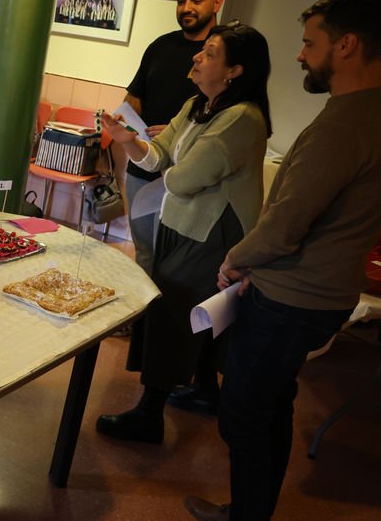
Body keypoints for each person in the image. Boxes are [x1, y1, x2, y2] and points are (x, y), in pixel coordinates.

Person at [185, 0, 381, 521]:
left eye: (308, 43)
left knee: (245, 415)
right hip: (327, 294)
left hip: (292, 299)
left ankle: (246, 517)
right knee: (270, 405)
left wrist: (236, 260)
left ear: (345, 46)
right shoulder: (378, 111)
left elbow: (286, 224)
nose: (299, 54)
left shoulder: (344, 124)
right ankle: (249, 510)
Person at [96, 22, 272, 445]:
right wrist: (128, 138)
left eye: (210, 53)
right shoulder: (199, 104)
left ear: (234, 70)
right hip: (184, 223)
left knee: (174, 311)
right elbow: (157, 158)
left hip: (213, 230)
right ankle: (206, 390)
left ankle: (149, 415)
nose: (196, 57)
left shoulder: (242, 119)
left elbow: (181, 180)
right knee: (202, 311)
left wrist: (169, 167)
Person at [123, 0, 224, 281]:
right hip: (144, 166)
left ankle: (166, 324)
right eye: (181, 1)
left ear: (217, 2)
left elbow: (226, 112)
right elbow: (134, 96)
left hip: (191, 176)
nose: (186, 8)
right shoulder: (160, 46)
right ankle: (141, 323)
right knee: (144, 250)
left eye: (196, 0)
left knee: (179, 258)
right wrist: (126, 124)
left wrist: (175, 130)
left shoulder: (225, 52)